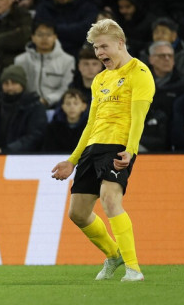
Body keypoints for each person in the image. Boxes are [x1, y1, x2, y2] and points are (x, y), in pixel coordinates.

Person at [51, 19, 155, 282]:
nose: (99, 54)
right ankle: (113, 255)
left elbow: (138, 117)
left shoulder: (140, 73)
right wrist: (72, 160)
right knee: (77, 213)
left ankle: (134, 269)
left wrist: (131, 150)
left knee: (110, 200)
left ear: (120, 43)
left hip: (118, 146)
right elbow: (90, 123)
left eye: (103, 47)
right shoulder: (100, 79)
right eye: (96, 48)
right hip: (93, 147)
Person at [0, 64, 48, 152]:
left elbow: (35, 137)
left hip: (27, 159)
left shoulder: (35, 107)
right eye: (6, 83)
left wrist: (5, 150)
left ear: (22, 85)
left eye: (14, 83)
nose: (10, 87)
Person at [14, 21, 76, 108]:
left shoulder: (68, 60)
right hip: (26, 106)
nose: (44, 38)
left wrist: (47, 100)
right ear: (33, 37)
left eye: (48, 34)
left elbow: (65, 88)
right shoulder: (20, 60)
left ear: (55, 37)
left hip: (56, 106)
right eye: (40, 35)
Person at [42, 88, 88, 152]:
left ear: (84, 107)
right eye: (68, 104)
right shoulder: (53, 128)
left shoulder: (90, 129)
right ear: (63, 107)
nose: (72, 107)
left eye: (76, 103)